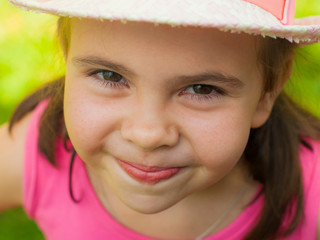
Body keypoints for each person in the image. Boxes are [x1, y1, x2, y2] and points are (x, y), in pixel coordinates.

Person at [1, 0, 320, 239]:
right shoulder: (38, 154)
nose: (147, 134)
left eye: (201, 88)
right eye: (110, 76)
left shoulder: (311, 189)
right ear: (66, 54)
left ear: (268, 90)